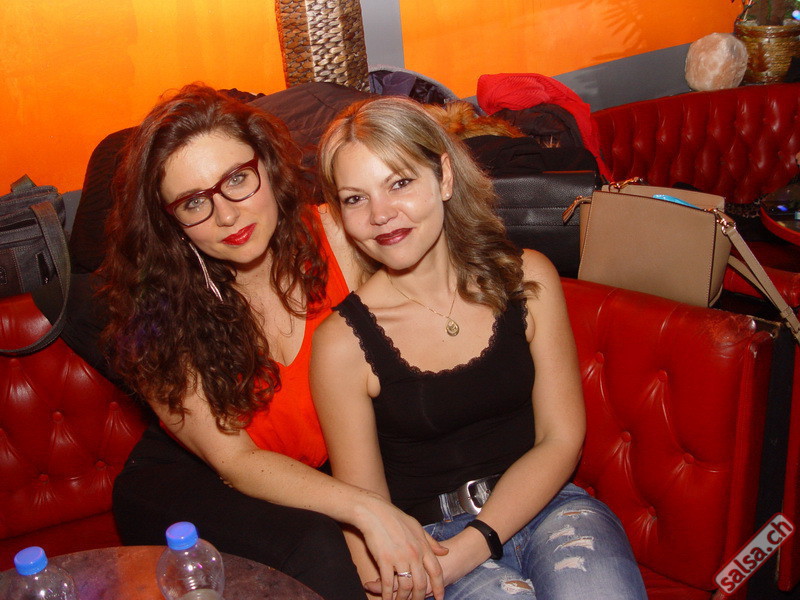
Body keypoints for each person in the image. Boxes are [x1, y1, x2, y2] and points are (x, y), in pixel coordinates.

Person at [100, 84, 447, 600]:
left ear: (267, 164)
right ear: (168, 221)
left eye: (237, 179)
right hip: (194, 481)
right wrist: (365, 509)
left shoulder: (340, 238)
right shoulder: (157, 316)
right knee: (318, 544)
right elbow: (236, 461)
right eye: (194, 202)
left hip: (321, 474)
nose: (227, 215)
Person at [312, 96, 648, 599]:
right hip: (428, 543)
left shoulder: (527, 277)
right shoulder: (342, 343)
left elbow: (561, 437)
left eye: (399, 183)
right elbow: (366, 512)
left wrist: (477, 542)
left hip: (549, 506)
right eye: (355, 198)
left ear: (444, 178)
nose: (381, 214)